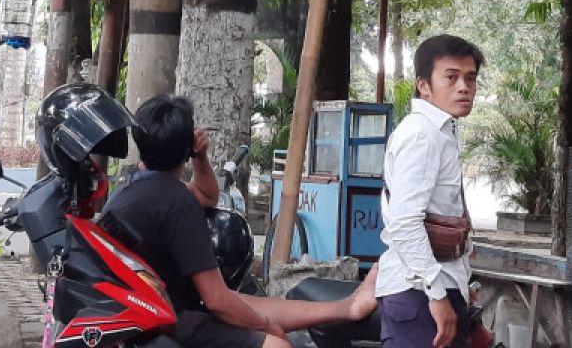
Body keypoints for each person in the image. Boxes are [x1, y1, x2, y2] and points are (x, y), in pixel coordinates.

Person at [100, 95, 377, 348]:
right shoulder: (176, 202)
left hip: (148, 311)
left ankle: (347, 308)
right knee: (276, 344)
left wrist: (200, 158)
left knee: (248, 302)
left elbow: (207, 196)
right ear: (187, 147)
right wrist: (269, 328)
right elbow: (217, 301)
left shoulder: (133, 183)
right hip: (170, 320)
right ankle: (347, 308)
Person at [376, 34, 482, 348]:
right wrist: (436, 293)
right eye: (451, 77)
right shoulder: (421, 135)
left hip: (434, 288)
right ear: (424, 85)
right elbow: (405, 222)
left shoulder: (441, 131)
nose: (463, 86)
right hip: (419, 294)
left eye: (470, 78)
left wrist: (462, 285)